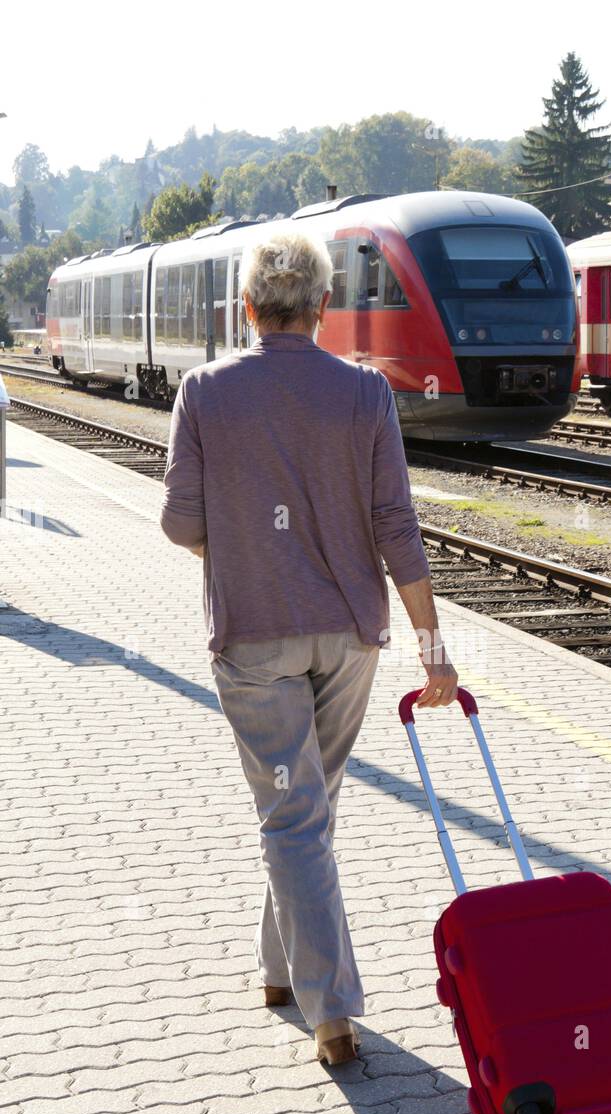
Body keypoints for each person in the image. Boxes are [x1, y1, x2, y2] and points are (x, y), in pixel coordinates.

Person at [160, 230, 458, 1066]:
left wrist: (243, 550)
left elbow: (181, 523)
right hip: (349, 638)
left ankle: (329, 1013)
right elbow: (397, 527)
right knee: (304, 812)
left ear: (247, 309)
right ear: (325, 311)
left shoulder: (204, 391)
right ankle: (280, 972)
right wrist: (434, 651)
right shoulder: (365, 394)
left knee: (293, 815)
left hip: (254, 639)